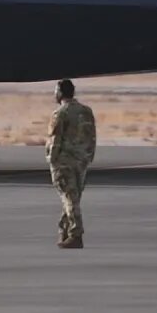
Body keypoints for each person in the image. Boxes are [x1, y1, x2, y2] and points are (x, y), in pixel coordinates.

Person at [47, 79, 96, 248]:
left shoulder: (60, 113)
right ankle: (64, 230)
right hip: (81, 160)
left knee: (69, 198)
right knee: (73, 198)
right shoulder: (86, 111)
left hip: (65, 162)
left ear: (60, 93)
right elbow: (92, 136)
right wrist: (89, 156)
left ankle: (76, 235)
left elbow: (55, 139)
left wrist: (52, 159)